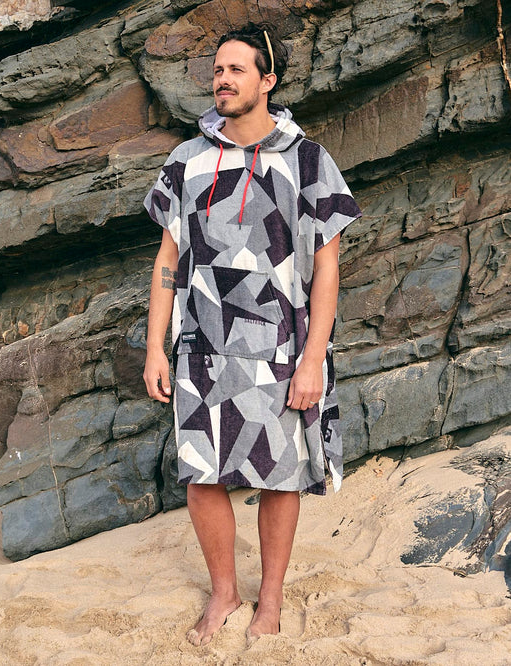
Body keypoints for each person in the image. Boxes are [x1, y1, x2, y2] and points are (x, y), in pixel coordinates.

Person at [143, 22, 362, 646]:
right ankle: (224, 592)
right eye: (217, 70)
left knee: (279, 473)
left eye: (237, 70)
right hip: (202, 348)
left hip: (280, 347)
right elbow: (166, 259)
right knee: (201, 474)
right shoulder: (187, 162)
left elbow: (326, 268)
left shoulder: (308, 159)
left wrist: (315, 356)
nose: (223, 80)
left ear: (267, 81)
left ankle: (270, 600)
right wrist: (156, 346)